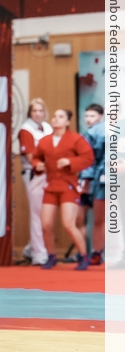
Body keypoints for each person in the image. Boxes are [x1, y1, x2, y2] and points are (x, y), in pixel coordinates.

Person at [33, 109, 95, 270]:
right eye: (54, 116)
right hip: (51, 186)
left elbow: (88, 158)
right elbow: (36, 157)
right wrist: (37, 165)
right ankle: (51, 256)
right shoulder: (45, 141)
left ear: (67, 122)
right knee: (46, 224)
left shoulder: (75, 139)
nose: (56, 119)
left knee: (68, 224)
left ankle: (83, 256)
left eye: (60, 117)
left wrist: (70, 162)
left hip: (68, 185)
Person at [17, 98, 53, 265]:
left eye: (40, 110)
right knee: (37, 213)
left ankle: (31, 248)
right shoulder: (26, 129)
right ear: (29, 113)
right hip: (34, 173)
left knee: (46, 214)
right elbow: (31, 157)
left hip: (50, 173)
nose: (38, 114)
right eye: (34, 111)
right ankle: (39, 254)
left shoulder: (47, 127)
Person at [78, 104, 106, 265]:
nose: (89, 119)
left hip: (108, 178)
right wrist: (87, 178)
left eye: (92, 116)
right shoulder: (93, 132)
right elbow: (89, 159)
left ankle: (98, 253)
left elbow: (89, 160)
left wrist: (86, 179)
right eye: (87, 116)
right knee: (100, 219)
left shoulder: (94, 132)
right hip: (102, 179)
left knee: (101, 219)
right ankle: (97, 253)